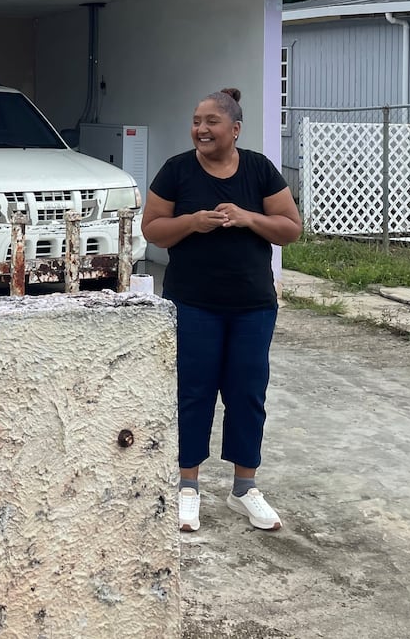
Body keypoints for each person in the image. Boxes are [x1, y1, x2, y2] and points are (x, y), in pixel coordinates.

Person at [141, 87, 302, 533]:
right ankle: (187, 487)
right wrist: (193, 222)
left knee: (247, 394)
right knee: (194, 393)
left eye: (211, 122)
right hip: (193, 303)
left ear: (234, 129)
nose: (200, 129)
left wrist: (249, 217)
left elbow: (290, 229)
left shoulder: (258, 169)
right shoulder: (177, 171)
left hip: (252, 305)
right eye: (196, 121)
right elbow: (153, 230)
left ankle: (244, 489)